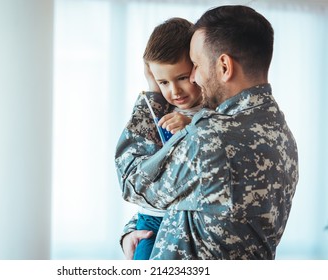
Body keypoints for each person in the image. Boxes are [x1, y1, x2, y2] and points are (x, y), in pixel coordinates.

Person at [115, 5, 299, 260]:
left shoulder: (211, 139)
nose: (194, 77)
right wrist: (131, 231)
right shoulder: (279, 132)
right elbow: (190, 200)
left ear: (224, 66)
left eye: (197, 65)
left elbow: (132, 181)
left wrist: (153, 94)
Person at [128, 17, 203, 260]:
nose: (174, 91)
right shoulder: (161, 108)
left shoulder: (212, 111)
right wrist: (152, 86)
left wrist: (191, 125)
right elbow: (139, 165)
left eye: (182, 77)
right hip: (148, 218)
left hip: (182, 222)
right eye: (163, 82)